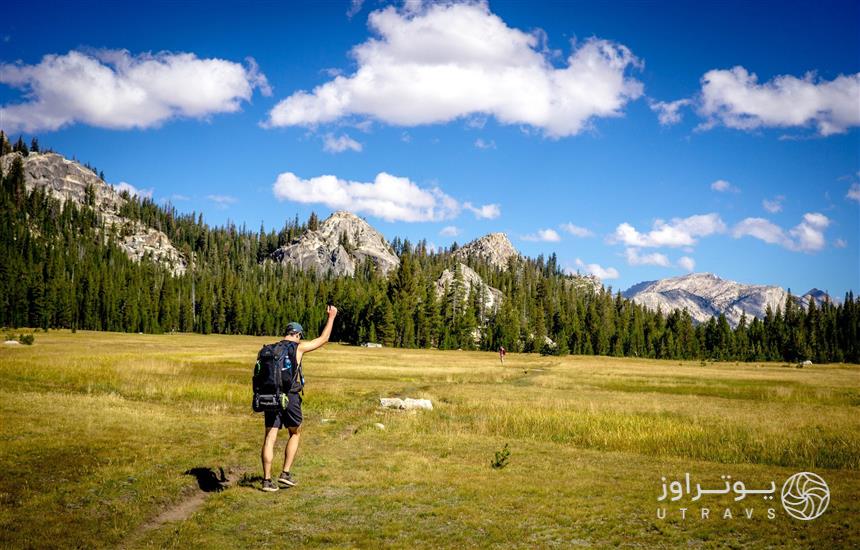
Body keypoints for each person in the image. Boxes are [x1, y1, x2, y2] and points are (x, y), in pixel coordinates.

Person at [260, 305, 338, 492]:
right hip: (291, 396)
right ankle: (285, 474)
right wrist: (331, 317)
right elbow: (323, 339)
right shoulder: (298, 347)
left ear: (286, 333)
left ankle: (266, 480)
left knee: (270, 437)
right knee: (295, 432)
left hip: (270, 396)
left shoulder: (269, 349)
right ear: (298, 335)